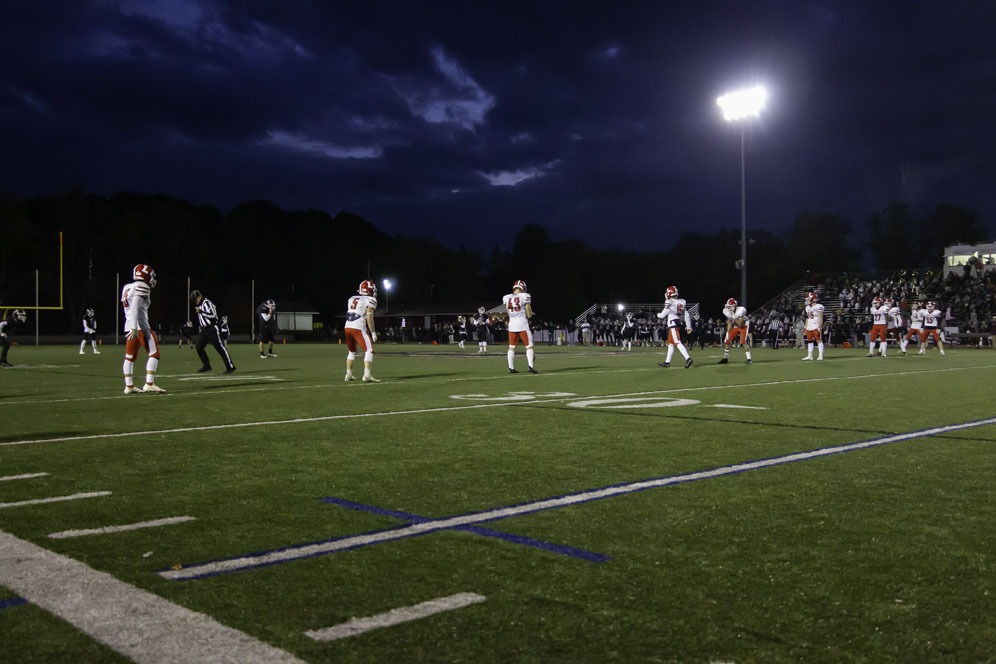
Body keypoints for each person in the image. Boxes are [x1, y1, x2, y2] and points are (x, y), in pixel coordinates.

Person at [121, 264, 165, 393]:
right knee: (154, 353)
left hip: (128, 325)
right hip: (140, 327)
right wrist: (135, 327)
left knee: (129, 357)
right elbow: (135, 307)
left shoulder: (127, 287)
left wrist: (132, 327)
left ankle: (128, 386)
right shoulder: (142, 286)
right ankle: (149, 383)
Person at [190, 289, 236, 374]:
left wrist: (201, 311)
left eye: (195, 299)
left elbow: (213, 315)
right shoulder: (200, 304)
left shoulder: (207, 303)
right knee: (198, 346)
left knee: (220, 348)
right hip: (204, 330)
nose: (194, 301)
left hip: (212, 329)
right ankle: (206, 365)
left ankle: (230, 366)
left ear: (199, 297)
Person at [345, 280, 379, 382]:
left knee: (351, 351)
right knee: (369, 350)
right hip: (358, 328)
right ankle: (367, 375)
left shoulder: (352, 298)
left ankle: (348, 374)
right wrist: (373, 332)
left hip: (347, 327)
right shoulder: (370, 299)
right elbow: (369, 317)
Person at [503, 279, 538, 373]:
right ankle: (530, 366)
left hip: (512, 324)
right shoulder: (525, 296)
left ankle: (511, 367)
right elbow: (529, 315)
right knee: (529, 346)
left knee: (512, 346)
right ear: (523, 288)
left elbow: (508, 312)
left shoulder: (507, 297)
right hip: (522, 324)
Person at [656, 285, 693, 368]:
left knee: (677, 342)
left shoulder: (670, 301)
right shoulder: (682, 301)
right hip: (677, 322)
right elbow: (686, 315)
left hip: (673, 324)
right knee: (670, 344)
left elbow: (662, 315)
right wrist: (689, 326)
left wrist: (658, 314)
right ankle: (667, 362)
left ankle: (688, 358)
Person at [718, 298, 752, 364]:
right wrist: (727, 333)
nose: (728, 308)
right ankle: (725, 358)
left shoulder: (740, 310)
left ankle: (749, 358)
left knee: (743, 341)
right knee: (727, 341)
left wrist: (734, 317)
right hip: (736, 326)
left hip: (744, 326)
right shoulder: (727, 311)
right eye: (727, 306)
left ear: (734, 306)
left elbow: (741, 325)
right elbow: (730, 322)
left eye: (730, 306)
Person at [801, 291, 825, 361]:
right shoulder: (807, 307)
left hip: (815, 325)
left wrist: (819, 327)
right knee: (810, 341)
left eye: (808, 298)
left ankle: (820, 355)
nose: (807, 300)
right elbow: (808, 318)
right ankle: (810, 356)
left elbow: (820, 317)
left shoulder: (819, 306)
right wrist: (805, 327)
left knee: (818, 340)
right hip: (809, 325)